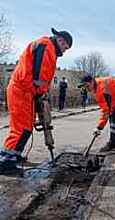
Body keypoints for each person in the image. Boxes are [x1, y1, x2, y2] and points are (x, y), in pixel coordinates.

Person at [0, 28, 72, 174]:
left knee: (22, 127)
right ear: (60, 40)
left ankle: (13, 155)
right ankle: (6, 162)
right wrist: (41, 95)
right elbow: (39, 78)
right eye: (65, 47)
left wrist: (40, 95)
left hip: (25, 91)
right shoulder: (47, 47)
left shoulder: (46, 46)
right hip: (22, 91)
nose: (64, 51)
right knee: (22, 128)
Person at [79, 74, 115, 152]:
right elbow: (107, 110)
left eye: (87, 85)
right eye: (84, 87)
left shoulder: (101, 89)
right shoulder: (97, 86)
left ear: (92, 81)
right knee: (112, 117)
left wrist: (99, 127)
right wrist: (100, 126)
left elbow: (105, 111)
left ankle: (113, 144)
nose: (86, 88)